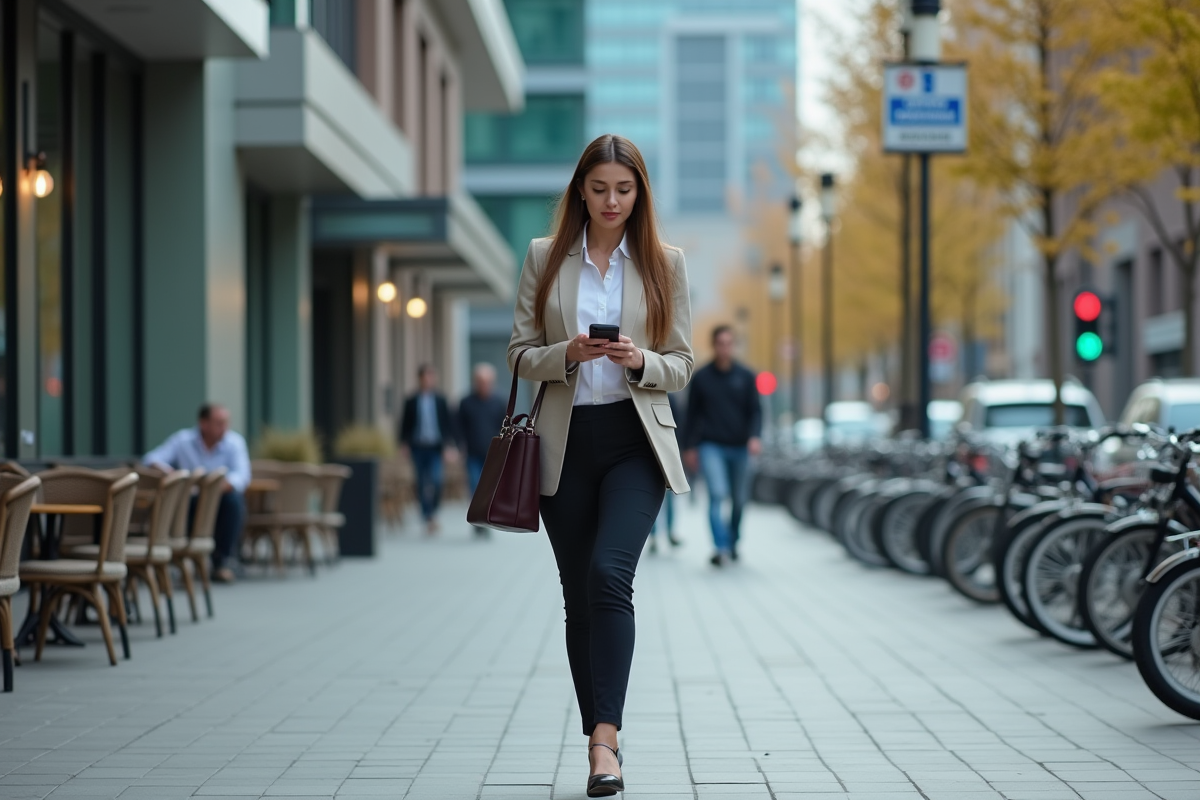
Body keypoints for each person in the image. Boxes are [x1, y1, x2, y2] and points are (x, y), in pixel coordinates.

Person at [509, 133, 693, 798]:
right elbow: (519, 353)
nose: (612, 201)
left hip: (634, 442)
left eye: (624, 189)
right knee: (578, 598)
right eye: (599, 189)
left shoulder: (665, 263)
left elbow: (682, 363)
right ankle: (599, 741)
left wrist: (640, 360)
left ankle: (604, 742)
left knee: (609, 574)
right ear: (580, 192)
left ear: (639, 192)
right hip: (564, 444)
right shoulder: (545, 257)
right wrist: (568, 353)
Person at [143, 403, 251, 584]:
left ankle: (222, 562)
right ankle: (176, 559)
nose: (224, 428)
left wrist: (215, 487)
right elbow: (150, 459)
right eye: (219, 423)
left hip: (219, 498)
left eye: (226, 423)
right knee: (176, 504)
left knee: (233, 501)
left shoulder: (234, 442)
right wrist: (172, 474)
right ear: (204, 423)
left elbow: (242, 476)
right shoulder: (182, 440)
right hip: (188, 499)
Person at [683, 325, 762, 566]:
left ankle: (732, 541)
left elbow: (756, 411)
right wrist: (689, 447)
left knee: (739, 500)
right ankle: (720, 548)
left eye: (728, 343)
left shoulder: (746, 376)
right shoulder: (701, 377)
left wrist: (755, 436)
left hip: (740, 447)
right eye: (720, 343)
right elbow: (691, 415)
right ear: (714, 345)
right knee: (717, 494)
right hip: (711, 446)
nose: (724, 348)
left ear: (733, 345)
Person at [399, 364, 455, 534]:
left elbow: (447, 424)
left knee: (436, 480)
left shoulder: (440, 400)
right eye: (425, 377)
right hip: (418, 447)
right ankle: (427, 515)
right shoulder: (411, 400)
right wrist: (403, 444)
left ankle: (433, 511)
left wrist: (448, 446)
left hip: (436, 447)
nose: (428, 380)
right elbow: (405, 424)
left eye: (431, 377)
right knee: (421, 481)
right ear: (420, 379)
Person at [456, 362, 507, 536]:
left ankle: (486, 519)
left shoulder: (499, 402)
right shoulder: (466, 402)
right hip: (472, 453)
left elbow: (504, 426)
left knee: (490, 489)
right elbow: (459, 426)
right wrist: (459, 445)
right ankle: (477, 519)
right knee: (475, 486)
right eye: (480, 381)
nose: (484, 385)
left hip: (493, 455)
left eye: (487, 382)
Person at [648, 391, 685, 553]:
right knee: (654, 496)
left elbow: (678, 426)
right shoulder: (645, 396)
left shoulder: (670, 398)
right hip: (648, 452)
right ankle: (654, 534)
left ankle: (669, 532)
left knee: (669, 496)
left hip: (667, 451)